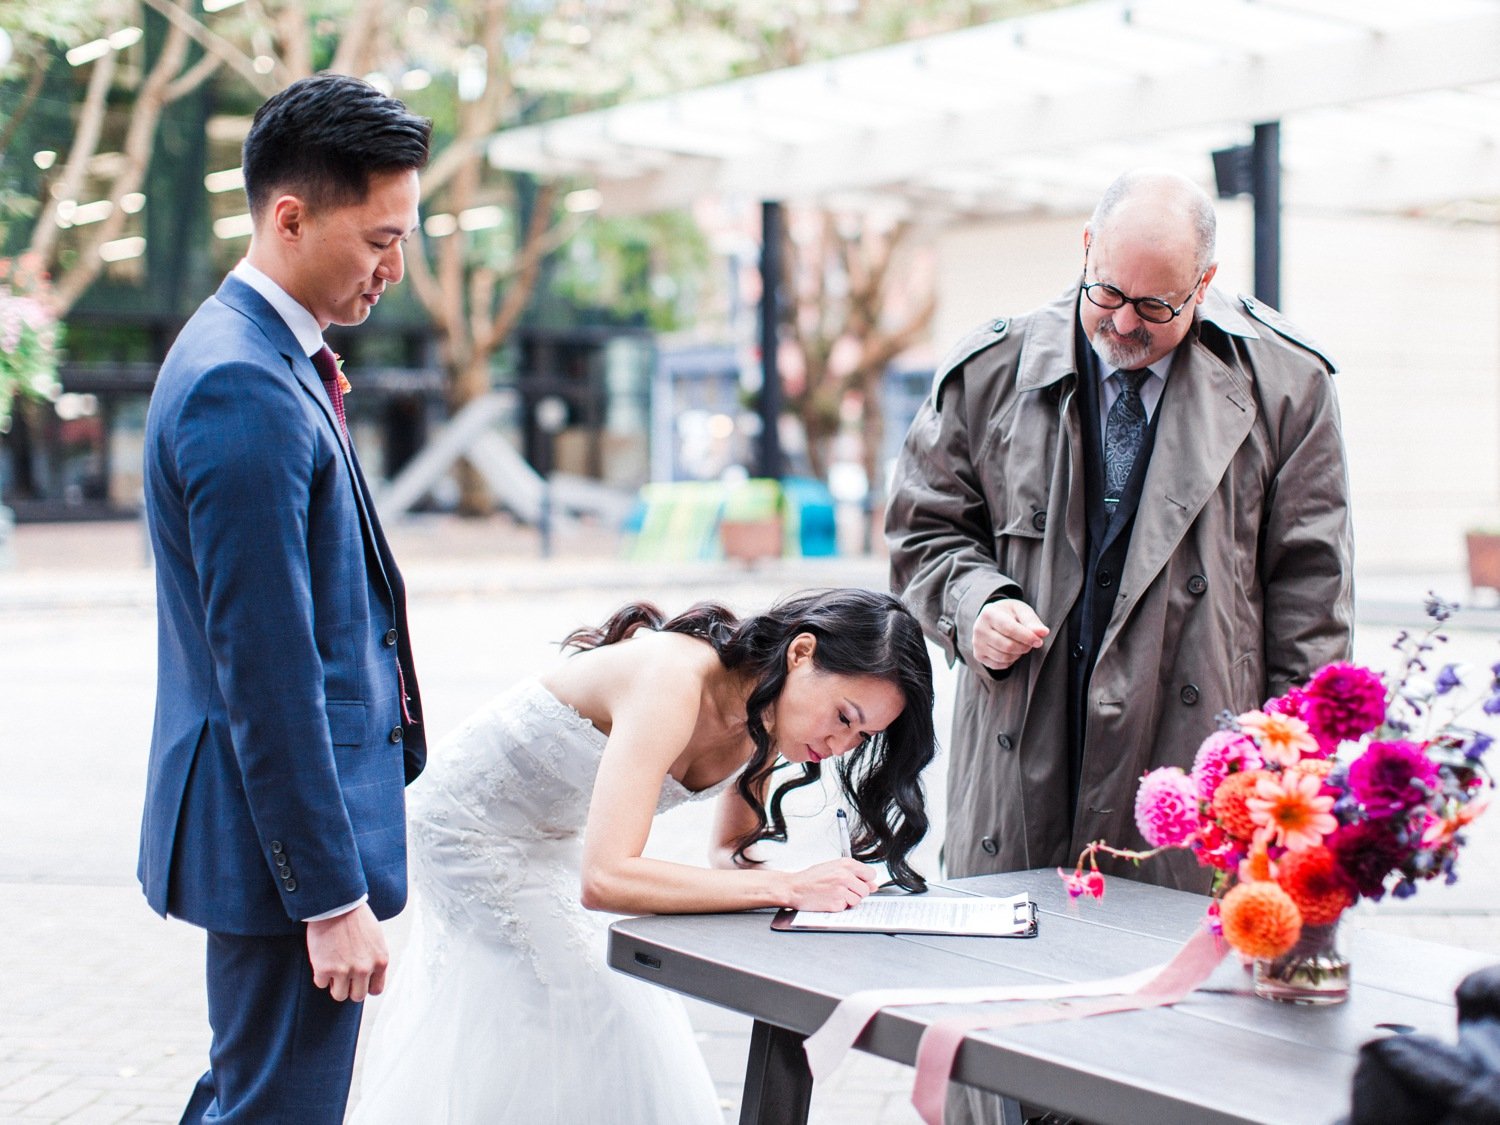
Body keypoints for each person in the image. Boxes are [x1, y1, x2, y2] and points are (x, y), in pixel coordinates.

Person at [887, 167, 1354, 1125]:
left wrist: (1283, 791)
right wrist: (974, 601)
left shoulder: (1287, 387)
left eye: (1157, 304)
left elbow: (1312, 601)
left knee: (1158, 1052)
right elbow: (923, 536)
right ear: (1084, 253)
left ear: (1208, 280)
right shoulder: (988, 373)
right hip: (1022, 764)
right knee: (1001, 1038)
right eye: (1108, 293)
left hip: (1188, 773)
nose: (1125, 324)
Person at [348, 588, 937, 1124]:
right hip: (466, 828)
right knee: (593, 1006)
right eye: (843, 717)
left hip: (551, 840)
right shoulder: (672, 678)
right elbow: (605, 879)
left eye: (860, 739)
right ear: (801, 653)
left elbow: (728, 852)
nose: (837, 747)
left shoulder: (767, 718)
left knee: (618, 1014)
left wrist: (805, 891)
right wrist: (787, 888)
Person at [138, 75, 432, 1124]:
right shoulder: (241, 383)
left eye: (405, 239)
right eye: (378, 240)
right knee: (276, 1110)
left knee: (250, 1094)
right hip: (285, 856)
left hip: (278, 839)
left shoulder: (267, 355)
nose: (393, 269)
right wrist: (332, 899)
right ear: (290, 215)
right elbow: (266, 671)